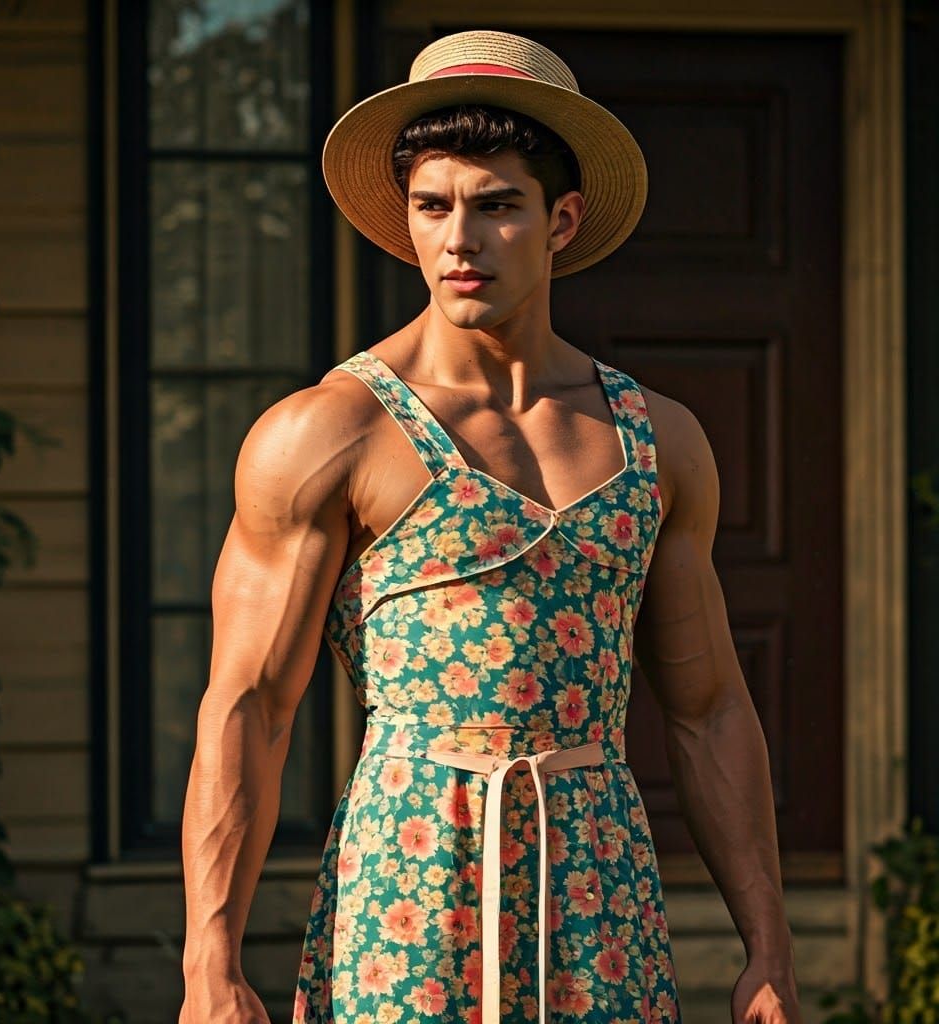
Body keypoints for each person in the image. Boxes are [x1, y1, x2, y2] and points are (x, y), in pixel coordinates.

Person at [179, 29, 802, 1024]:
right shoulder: (330, 432)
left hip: (601, 902)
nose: (459, 239)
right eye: (433, 206)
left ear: (561, 220)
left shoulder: (659, 442)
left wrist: (767, 949)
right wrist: (208, 961)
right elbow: (250, 704)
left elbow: (710, 709)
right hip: (406, 894)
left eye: (497, 205)